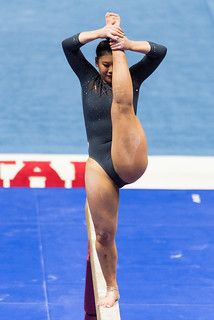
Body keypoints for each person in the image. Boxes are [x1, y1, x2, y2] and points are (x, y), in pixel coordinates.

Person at [62, 12, 167, 309]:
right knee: (104, 234)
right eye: (106, 65)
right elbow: (68, 46)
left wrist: (126, 43)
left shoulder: (133, 80)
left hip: (129, 156)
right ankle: (112, 286)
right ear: (97, 63)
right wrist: (101, 32)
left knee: (121, 106)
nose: (109, 71)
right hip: (100, 163)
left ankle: (118, 42)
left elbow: (159, 52)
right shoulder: (87, 80)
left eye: (113, 65)